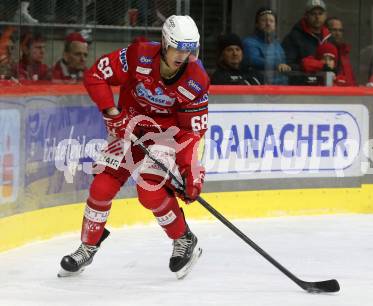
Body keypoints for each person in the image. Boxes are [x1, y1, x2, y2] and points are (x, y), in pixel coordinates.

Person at [58, 15, 208, 280]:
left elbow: (191, 132)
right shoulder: (138, 55)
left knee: (149, 192)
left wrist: (190, 173)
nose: (183, 56)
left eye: (189, 50)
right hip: (130, 127)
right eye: (178, 48)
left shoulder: (196, 80)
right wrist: (112, 111)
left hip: (167, 137)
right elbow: (95, 75)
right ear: (164, 43)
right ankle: (88, 245)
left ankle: (183, 238)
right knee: (101, 186)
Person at [242, 7, 290, 85]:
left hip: (281, 90)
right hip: (261, 90)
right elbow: (253, 60)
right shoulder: (249, 42)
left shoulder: (277, 45)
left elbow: (284, 64)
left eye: (271, 21)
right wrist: (277, 65)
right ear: (257, 24)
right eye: (264, 20)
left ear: (275, 25)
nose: (268, 24)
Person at [282, 0, 332, 71]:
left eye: (320, 14)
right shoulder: (294, 37)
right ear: (306, 15)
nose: (317, 17)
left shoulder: (329, 38)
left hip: (325, 80)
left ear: (325, 16)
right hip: (301, 80)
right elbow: (287, 64)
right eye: (313, 14)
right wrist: (308, 67)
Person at [325, 17, 356, 86]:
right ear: (326, 31)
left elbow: (351, 78)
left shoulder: (344, 53)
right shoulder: (324, 52)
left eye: (340, 30)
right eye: (334, 30)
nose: (338, 33)